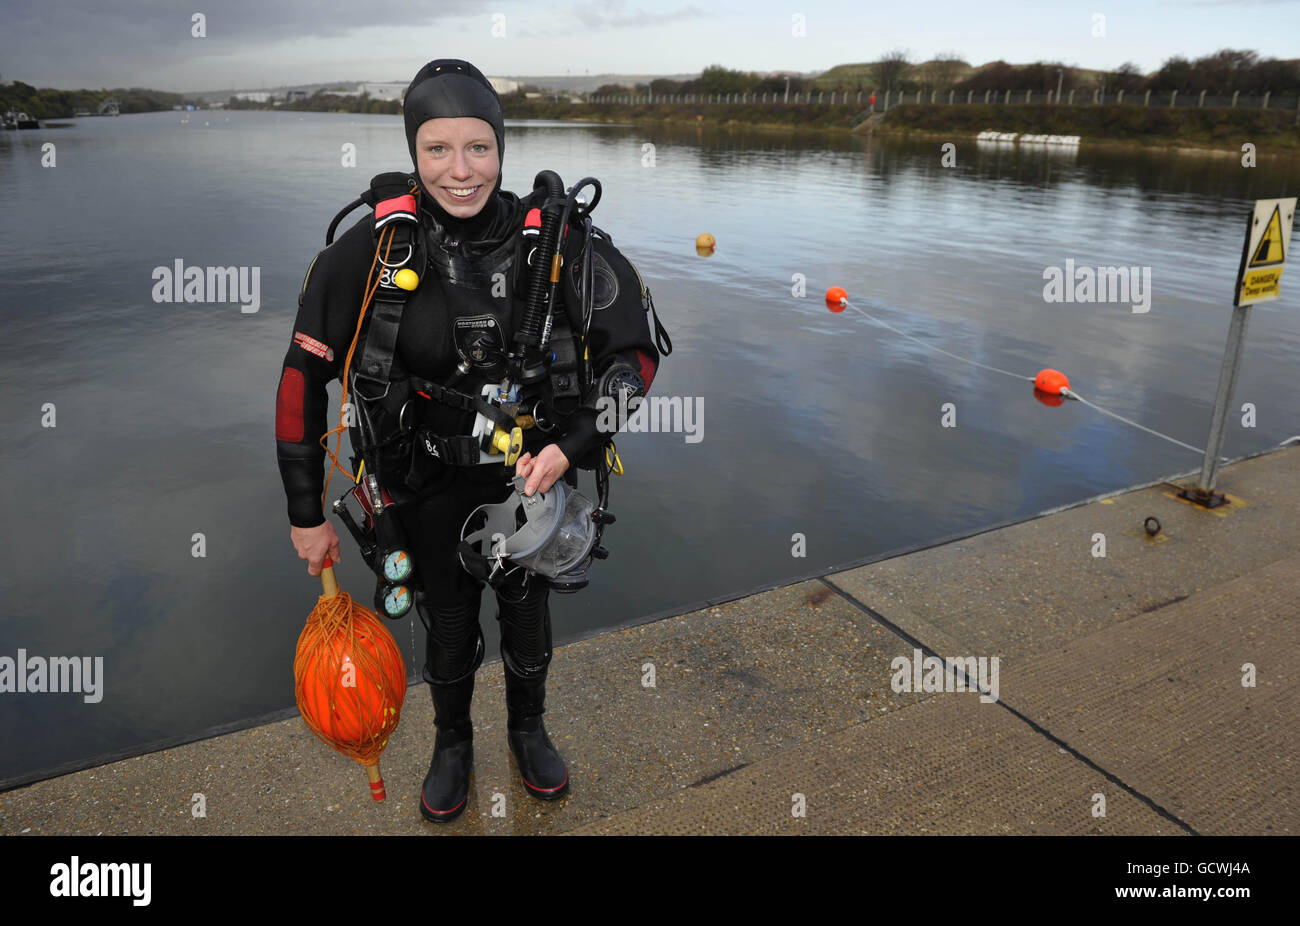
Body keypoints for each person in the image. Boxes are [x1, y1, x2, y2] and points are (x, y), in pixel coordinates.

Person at [275, 59, 667, 823]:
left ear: (502, 148)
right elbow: (300, 377)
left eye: (479, 148)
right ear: (414, 152)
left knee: (526, 618)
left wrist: (575, 444)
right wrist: (304, 512)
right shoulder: (373, 249)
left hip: (529, 484)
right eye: (439, 149)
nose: (461, 172)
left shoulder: (555, 242)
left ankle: (528, 727)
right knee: (446, 629)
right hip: (417, 489)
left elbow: (638, 359)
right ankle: (451, 740)